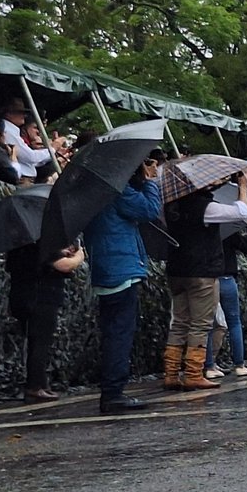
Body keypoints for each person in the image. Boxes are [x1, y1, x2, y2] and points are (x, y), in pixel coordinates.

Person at [82, 149, 164, 414]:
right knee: (120, 333)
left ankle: (112, 390)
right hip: (122, 270)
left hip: (105, 269)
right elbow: (150, 209)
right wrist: (150, 181)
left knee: (111, 332)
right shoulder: (116, 191)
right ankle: (113, 393)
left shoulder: (91, 192)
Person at [162, 171, 247, 392]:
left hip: (177, 270)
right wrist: (242, 188)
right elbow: (241, 212)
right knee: (201, 324)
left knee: (180, 322)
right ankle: (194, 373)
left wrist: (217, 182)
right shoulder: (203, 207)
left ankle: (171, 372)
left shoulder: (170, 206)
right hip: (201, 272)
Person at [6, 241, 84, 401]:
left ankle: (40, 383)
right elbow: (64, 265)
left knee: (35, 341)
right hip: (41, 297)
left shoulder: (20, 244)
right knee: (40, 342)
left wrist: (60, 250)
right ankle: (35, 386)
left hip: (22, 296)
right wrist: (79, 256)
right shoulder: (40, 241)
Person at [203, 220, 247, 380]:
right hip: (227, 279)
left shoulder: (202, 228)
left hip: (208, 279)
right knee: (234, 322)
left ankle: (209, 366)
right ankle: (239, 365)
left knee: (207, 324)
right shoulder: (227, 228)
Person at [0, 97, 64, 184]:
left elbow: (31, 161)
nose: (24, 116)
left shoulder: (11, 130)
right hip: (23, 179)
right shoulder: (8, 131)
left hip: (27, 178)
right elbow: (30, 157)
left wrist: (52, 153)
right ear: (8, 113)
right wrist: (53, 148)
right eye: (19, 113)